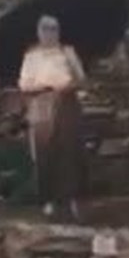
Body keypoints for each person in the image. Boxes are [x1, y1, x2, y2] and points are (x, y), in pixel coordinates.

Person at [18, 15, 86, 219]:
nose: (49, 33)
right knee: (44, 151)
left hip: (66, 101)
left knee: (69, 150)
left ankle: (71, 198)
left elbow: (81, 78)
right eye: (45, 29)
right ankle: (48, 200)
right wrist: (44, 87)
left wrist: (67, 86)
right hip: (41, 103)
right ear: (39, 32)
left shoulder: (67, 52)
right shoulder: (32, 56)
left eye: (53, 29)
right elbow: (24, 83)